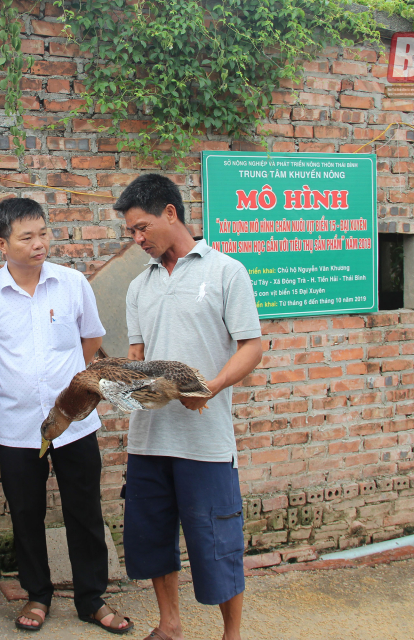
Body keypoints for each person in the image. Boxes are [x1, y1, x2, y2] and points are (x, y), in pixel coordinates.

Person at [0, 198, 132, 634]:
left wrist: (71, 385)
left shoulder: (71, 283)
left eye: (43, 233)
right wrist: (18, 380)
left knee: (84, 510)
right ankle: (37, 595)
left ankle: (91, 599)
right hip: (18, 426)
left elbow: (91, 338)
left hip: (74, 423)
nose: (39, 243)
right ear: (2, 244)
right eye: (27, 237)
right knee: (26, 514)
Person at [116, 174, 264, 640]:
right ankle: (170, 625)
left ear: (171, 213)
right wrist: (119, 383)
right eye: (131, 232)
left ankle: (231, 635)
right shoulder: (138, 287)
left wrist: (212, 387)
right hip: (149, 440)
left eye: (142, 228)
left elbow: (252, 347)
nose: (137, 239)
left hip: (205, 441)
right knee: (153, 537)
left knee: (217, 542)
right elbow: (137, 356)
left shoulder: (226, 272)